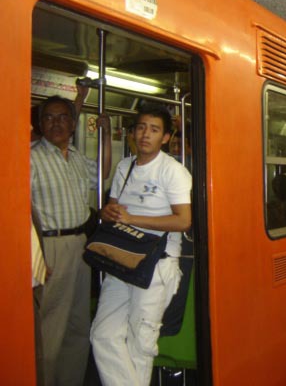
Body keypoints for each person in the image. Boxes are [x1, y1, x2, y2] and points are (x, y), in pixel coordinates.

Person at [90, 104, 192, 386]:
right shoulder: (126, 166)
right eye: (141, 128)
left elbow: (183, 221)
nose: (146, 134)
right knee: (102, 333)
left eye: (155, 129)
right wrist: (106, 213)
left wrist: (132, 217)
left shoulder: (173, 171)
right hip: (122, 260)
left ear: (166, 138)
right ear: (133, 133)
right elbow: (114, 208)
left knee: (141, 341)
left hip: (157, 265)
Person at [30, 95, 111, 386]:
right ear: (39, 124)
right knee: (50, 325)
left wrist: (106, 136)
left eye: (63, 117)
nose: (56, 123)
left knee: (78, 326)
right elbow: (20, 210)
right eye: (49, 117)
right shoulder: (31, 157)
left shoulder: (75, 156)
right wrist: (35, 257)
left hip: (79, 244)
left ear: (73, 123)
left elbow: (101, 174)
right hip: (49, 246)